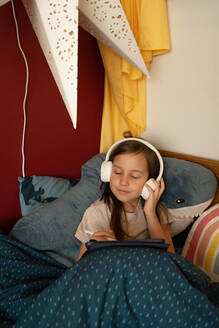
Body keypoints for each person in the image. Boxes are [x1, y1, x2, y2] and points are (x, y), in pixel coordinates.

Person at [75, 138, 175, 261]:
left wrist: (150, 213)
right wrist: (94, 247)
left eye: (134, 176)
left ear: (151, 182)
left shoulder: (156, 210)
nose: (123, 181)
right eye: (117, 172)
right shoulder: (97, 213)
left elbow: (169, 259)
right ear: (107, 173)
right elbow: (79, 268)